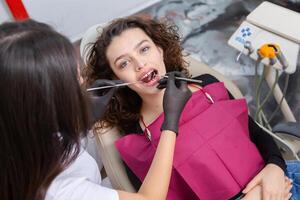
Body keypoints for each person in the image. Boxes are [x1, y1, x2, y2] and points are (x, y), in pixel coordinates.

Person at [84, 16, 299, 200]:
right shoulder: (135, 140)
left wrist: (275, 167)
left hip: (281, 182)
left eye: (144, 49)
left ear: (159, 50)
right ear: (116, 79)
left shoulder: (206, 84)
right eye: (124, 63)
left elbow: (256, 134)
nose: (140, 64)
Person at [0, 19, 192, 200]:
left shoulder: (17, 125)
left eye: (144, 49)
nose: (83, 81)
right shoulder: (60, 191)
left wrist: (81, 124)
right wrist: (170, 121)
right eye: (74, 80)